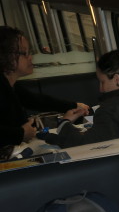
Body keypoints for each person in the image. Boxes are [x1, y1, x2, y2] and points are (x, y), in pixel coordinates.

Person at [0, 26, 89, 155]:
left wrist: (74, 106)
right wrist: (20, 134)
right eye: (25, 53)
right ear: (6, 56)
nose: (31, 58)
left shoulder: (10, 85)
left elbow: (37, 100)